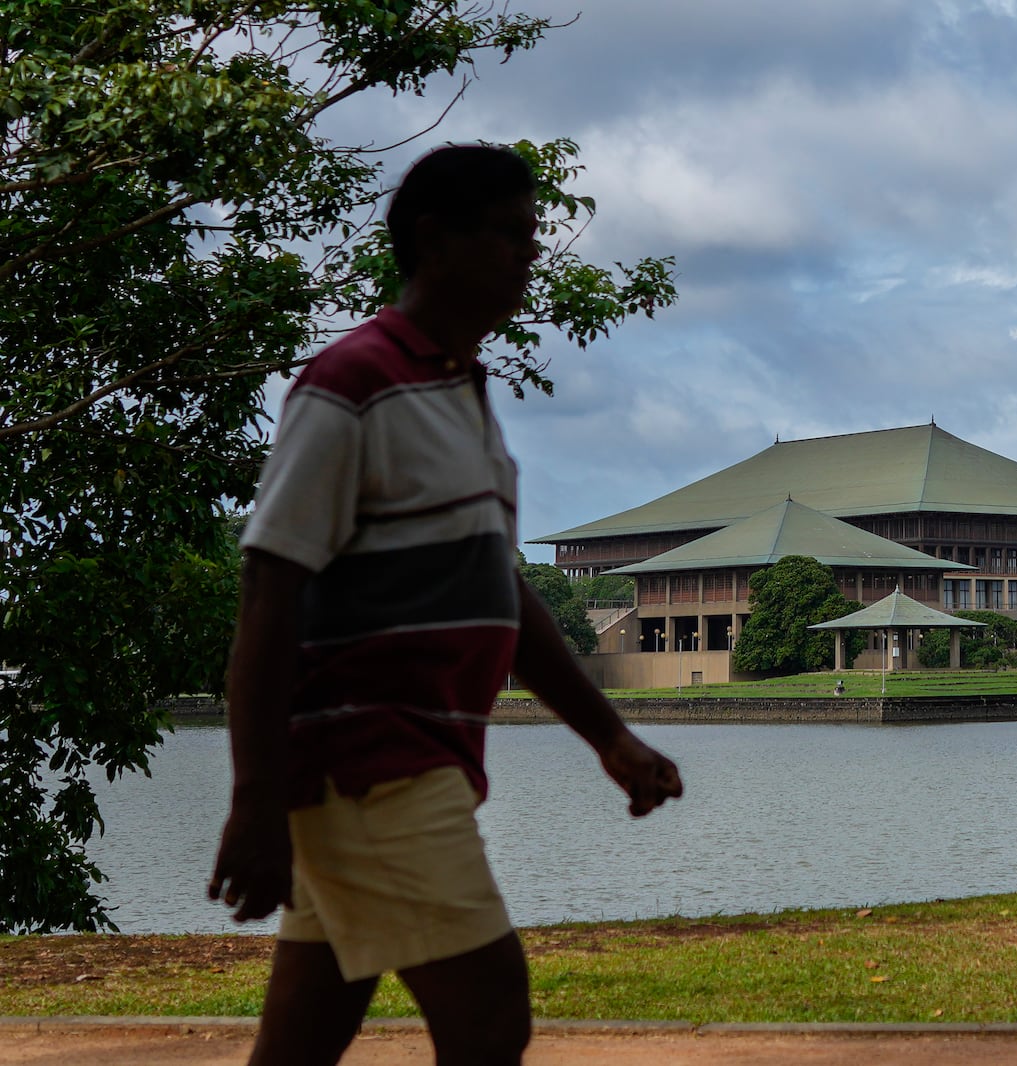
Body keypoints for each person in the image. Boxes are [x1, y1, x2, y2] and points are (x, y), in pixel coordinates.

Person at [208, 144, 683, 1066]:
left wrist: (611, 738)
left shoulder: (461, 391)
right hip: (368, 763)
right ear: (433, 241)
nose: (529, 256)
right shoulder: (350, 387)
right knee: (491, 1007)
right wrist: (255, 799)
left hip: (406, 759)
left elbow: (496, 593)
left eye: (532, 236)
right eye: (509, 234)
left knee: (307, 1031)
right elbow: (268, 593)